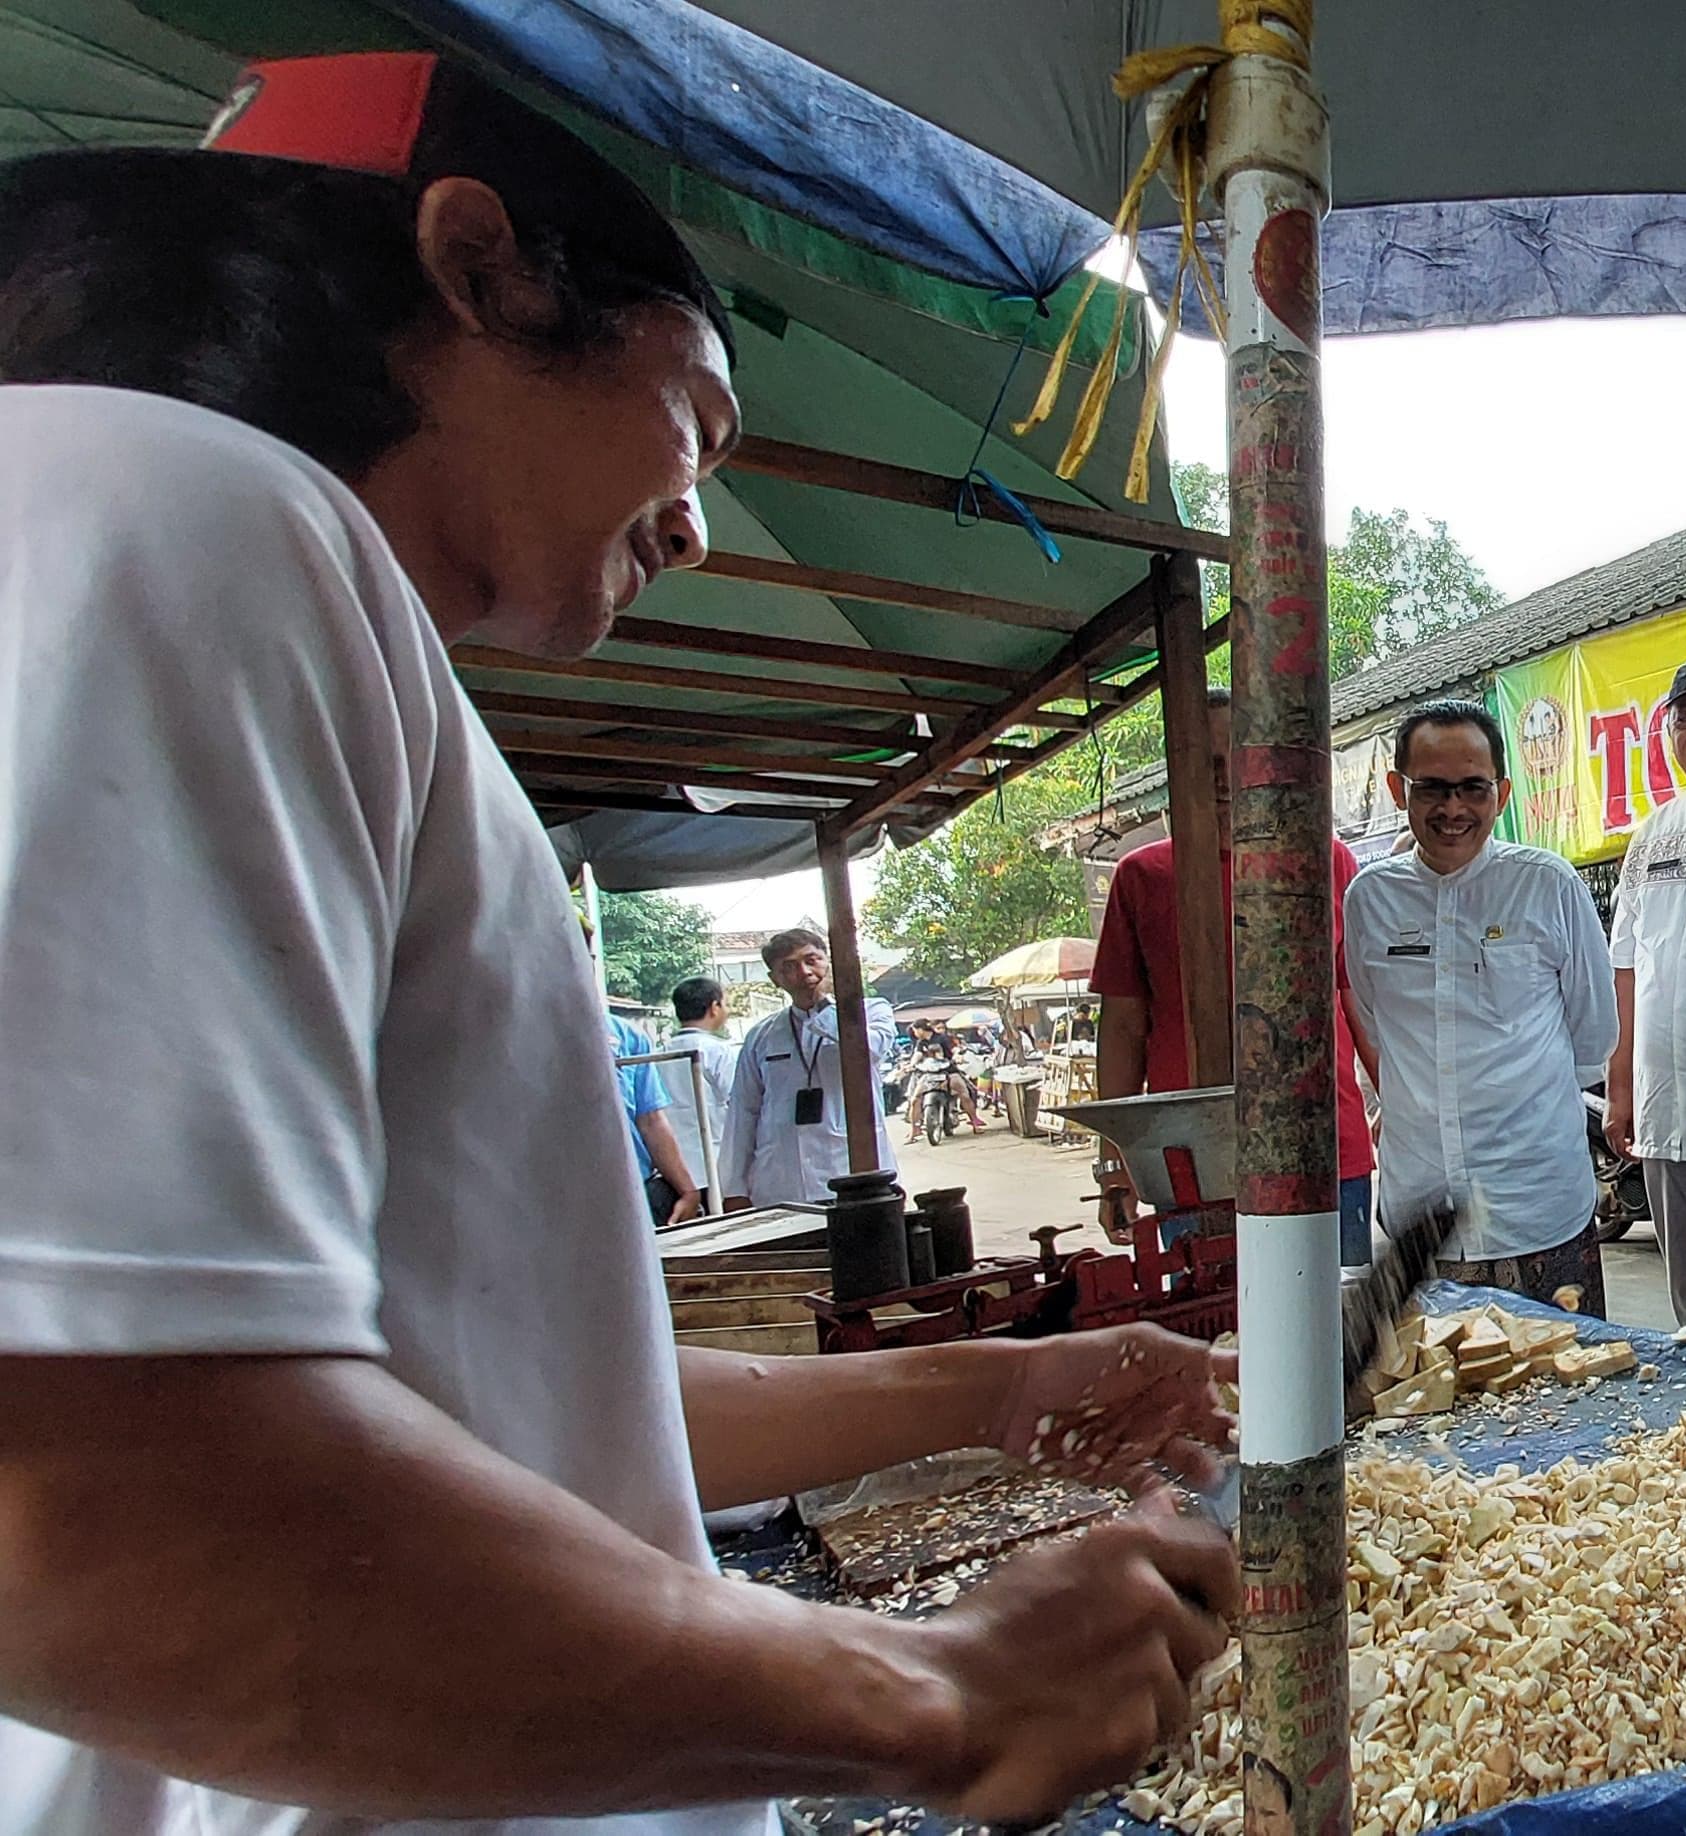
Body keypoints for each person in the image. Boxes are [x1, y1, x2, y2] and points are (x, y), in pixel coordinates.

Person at [0, 52, 1232, 1830]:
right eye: (701, 424)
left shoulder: (233, 569)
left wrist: (998, 1381)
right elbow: (87, 1500)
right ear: (484, 266)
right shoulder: (189, 512)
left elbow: (504, 1385)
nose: (696, 516)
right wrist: (931, 1689)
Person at [1344, 699, 1617, 1311]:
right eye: (1432, 789)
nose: (1453, 809)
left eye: (1472, 788)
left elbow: (1593, 1035)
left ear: (1503, 790)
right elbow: (1376, 1023)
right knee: (1432, 1400)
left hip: (1538, 1208)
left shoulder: (1547, 885)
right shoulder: (1370, 900)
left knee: (1568, 1396)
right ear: (1397, 789)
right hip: (1422, 1218)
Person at [1092, 686, 1379, 1264]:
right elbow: (1122, 1027)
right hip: (1191, 1166)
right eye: (1207, 764)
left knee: (1337, 1341)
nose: (1225, 779)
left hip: (1324, 1154)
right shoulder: (1141, 876)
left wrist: (1402, 1113)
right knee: (1212, 1342)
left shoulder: (1327, 860)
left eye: (1238, 759)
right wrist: (1113, 1165)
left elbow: (1360, 1004)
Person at [1603, 662, 1686, 1329]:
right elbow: (1626, 966)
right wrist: (1620, 1087)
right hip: (1665, 1102)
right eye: (1681, 719)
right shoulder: (1650, 838)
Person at [726, 927, 898, 1207]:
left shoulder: (871, 1012)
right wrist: (735, 1187)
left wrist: (826, 1006)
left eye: (812, 960)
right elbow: (743, 1111)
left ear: (829, 961)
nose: (805, 972)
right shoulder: (762, 1035)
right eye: (789, 967)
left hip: (850, 1172)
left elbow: (870, 1048)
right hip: (782, 1182)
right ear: (775, 979)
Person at [612, 1009, 707, 1227]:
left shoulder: (626, 1036)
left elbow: (650, 1120)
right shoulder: (526, 1035)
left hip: (631, 1189)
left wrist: (687, 1191)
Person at [666, 975, 741, 1126]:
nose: (728, 1010)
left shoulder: (658, 1054)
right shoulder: (720, 1052)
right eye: (725, 1004)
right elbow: (740, 1102)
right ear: (714, 1008)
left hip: (669, 1147)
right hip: (714, 1146)